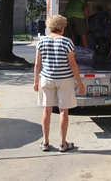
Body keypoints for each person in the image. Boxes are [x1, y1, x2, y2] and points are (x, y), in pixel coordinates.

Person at [33, 14, 86, 152]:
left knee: (46, 109)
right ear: (62, 27)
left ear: (50, 27)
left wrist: (35, 81)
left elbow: (37, 64)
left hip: (46, 79)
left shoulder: (42, 41)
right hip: (65, 80)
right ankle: (63, 144)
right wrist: (79, 82)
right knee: (64, 111)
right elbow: (73, 65)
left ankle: (45, 142)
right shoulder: (66, 42)